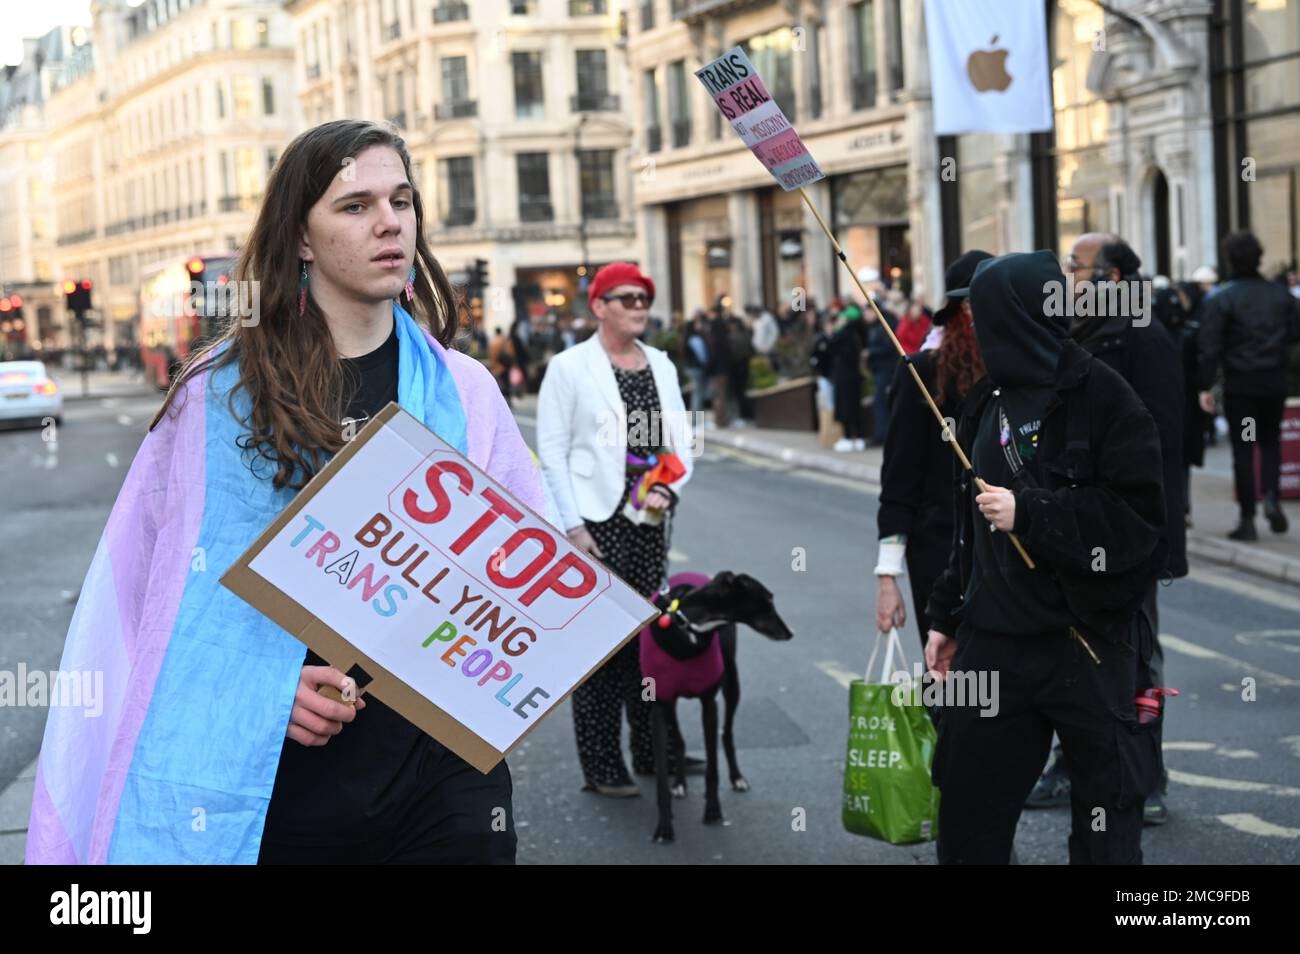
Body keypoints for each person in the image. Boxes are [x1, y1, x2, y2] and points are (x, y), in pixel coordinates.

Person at [26, 120, 542, 865]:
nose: (390, 221)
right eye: (355, 205)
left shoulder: (466, 392)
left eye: (401, 200)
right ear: (300, 237)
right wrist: (268, 687)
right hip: (275, 782)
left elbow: (522, 574)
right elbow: (157, 605)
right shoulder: (215, 400)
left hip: (444, 772)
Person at [924, 251, 1166, 865]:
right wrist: (946, 616)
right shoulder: (983, 402)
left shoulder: (1105, 398)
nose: (974, 324)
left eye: (985, 311)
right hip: (994, 647)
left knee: (1105, 831)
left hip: (1086, 644)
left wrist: (1034, 512)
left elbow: (1138, 524)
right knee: (969, 817)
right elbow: (969, 532)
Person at [1027, 234, 1186, 824]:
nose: (1068, 276)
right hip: (1085, 531)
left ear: (1113, 279)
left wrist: (1154, 539)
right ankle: (1075, 769)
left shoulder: (1144, 339)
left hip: (1132, 539)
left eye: (1078, 267)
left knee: (1139, 661)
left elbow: (1164, 447)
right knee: (1084, 656)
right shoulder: (1084, 334)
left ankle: (1147, 781)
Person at [536, 262, 695, 798]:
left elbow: (681, 440)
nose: (638, 306)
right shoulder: (569, 367)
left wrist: (671, 485)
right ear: (599, 306)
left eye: (644, 298)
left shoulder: (662, 365)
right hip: (596, 523)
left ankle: (655, 751)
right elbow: (551, 453)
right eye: (625, 298)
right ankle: (603, 764)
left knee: (651, 640)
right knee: (602, 647)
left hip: (649, 520)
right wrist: (573, 528)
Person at [875, 251, 991, 658]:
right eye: (977, 305)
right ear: (959, 311)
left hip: (1008, 557)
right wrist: (888, 576)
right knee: (949, 682)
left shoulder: (1021, 373)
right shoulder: (921, 373)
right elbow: (899, 480)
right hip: (940, 556)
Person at [1198, 230, 1300, 540]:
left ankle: (1247, 518)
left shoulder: (1223, 298)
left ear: (1230, 260)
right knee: (1270, 443)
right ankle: (1271, 498)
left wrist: (1204, 387)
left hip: (1242, 387)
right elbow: (1295, 334)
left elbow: (1209, 347)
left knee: (1244, 448)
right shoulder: (1280, 295)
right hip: (1274, 383)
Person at [830, 305, 868, 452]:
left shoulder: (844, 334)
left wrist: (836, 329)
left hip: (844, 376)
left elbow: (831, 345)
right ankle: (858, 438)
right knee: (855, 408)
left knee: (845, 408)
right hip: (854, 376)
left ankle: (847, 438)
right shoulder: (858, 334)